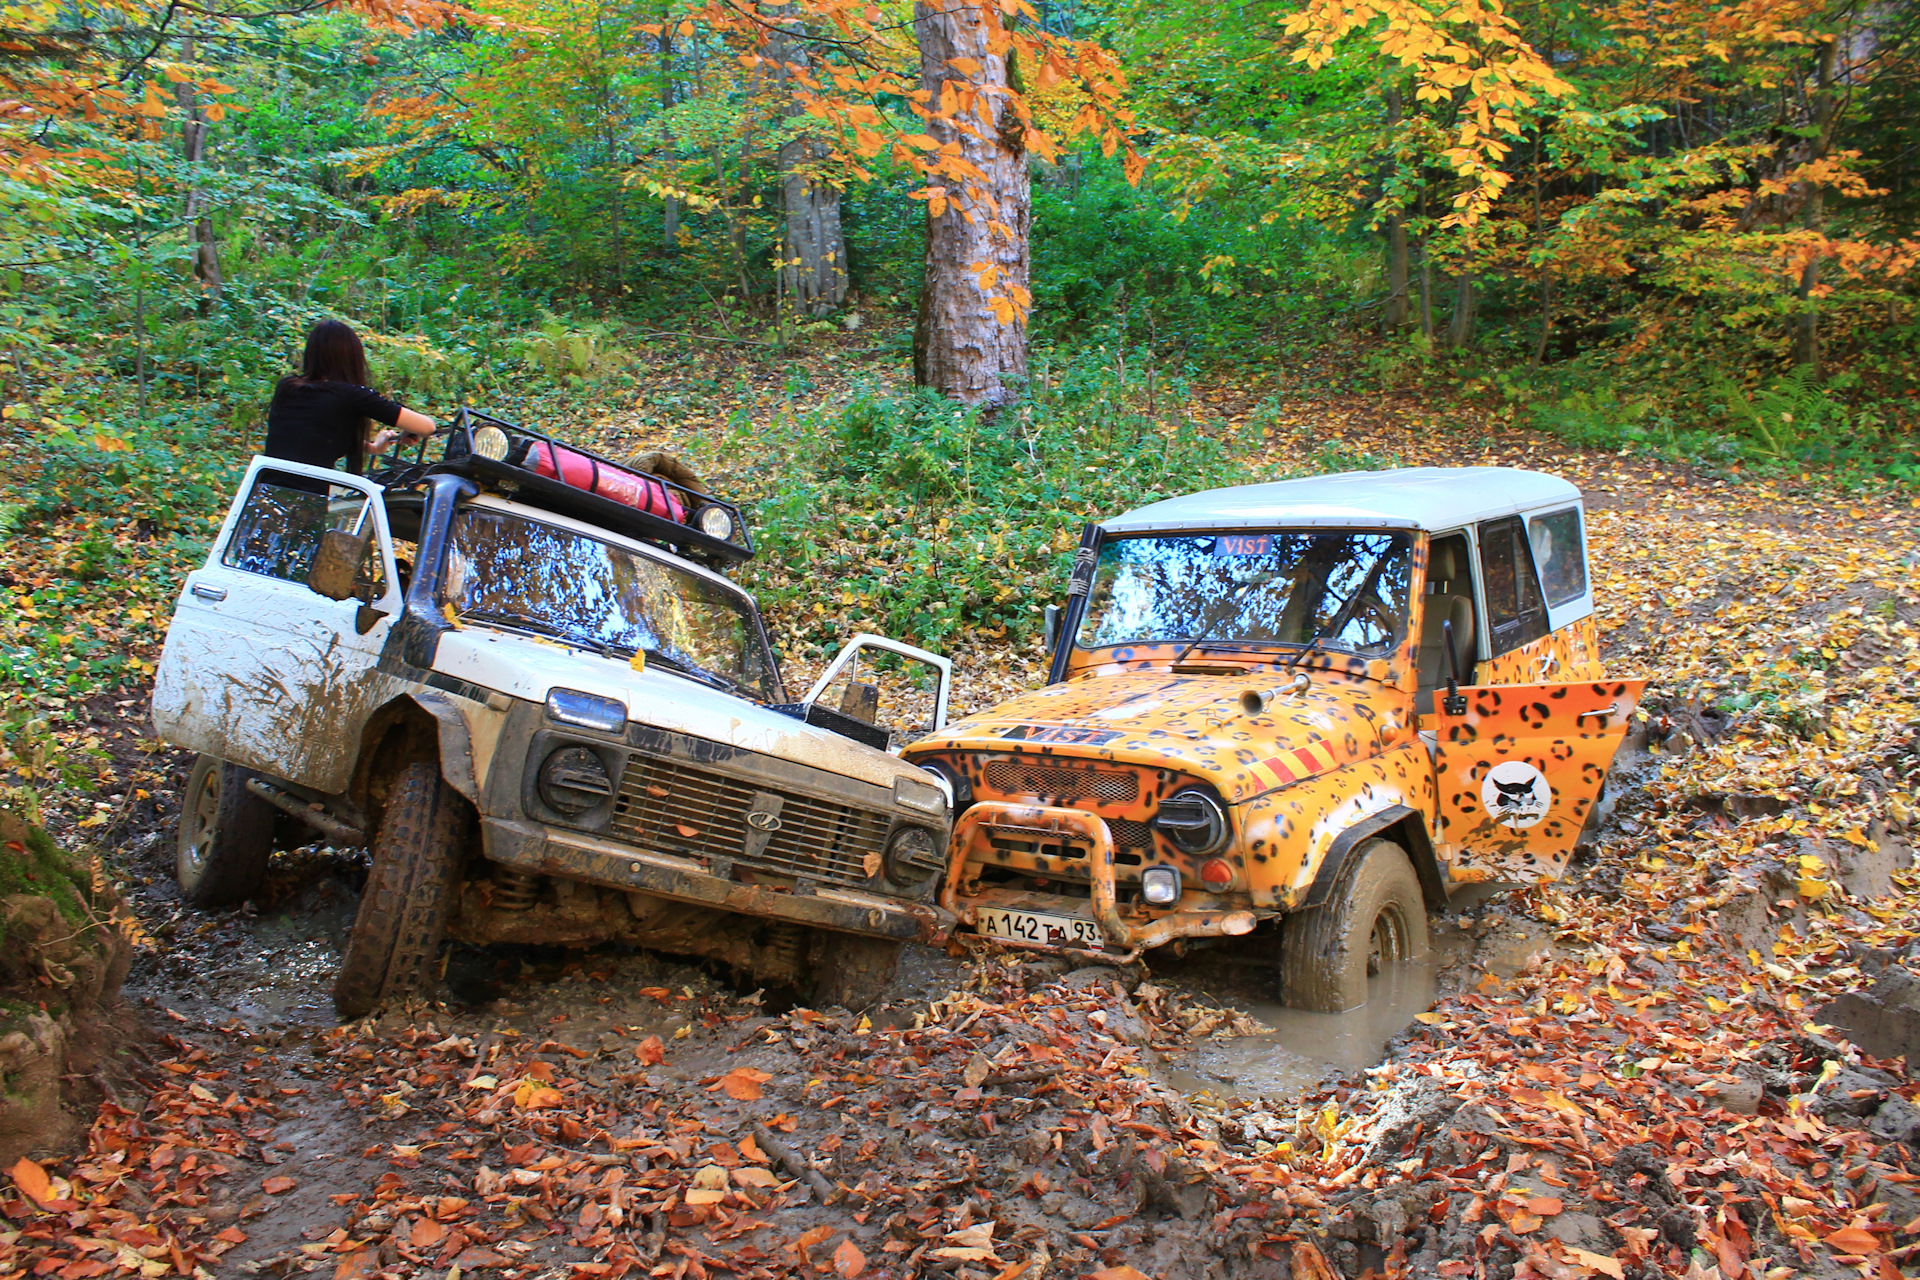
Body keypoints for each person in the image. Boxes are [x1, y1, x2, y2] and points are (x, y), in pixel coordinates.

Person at [262, 319, 436, 477]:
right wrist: (408, 429)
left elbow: (311, 436)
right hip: (308, 499)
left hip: (262, 493)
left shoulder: (287, 386)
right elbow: (427, 427)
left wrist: (373, 447)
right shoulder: (352, 395)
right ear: (352, 356)